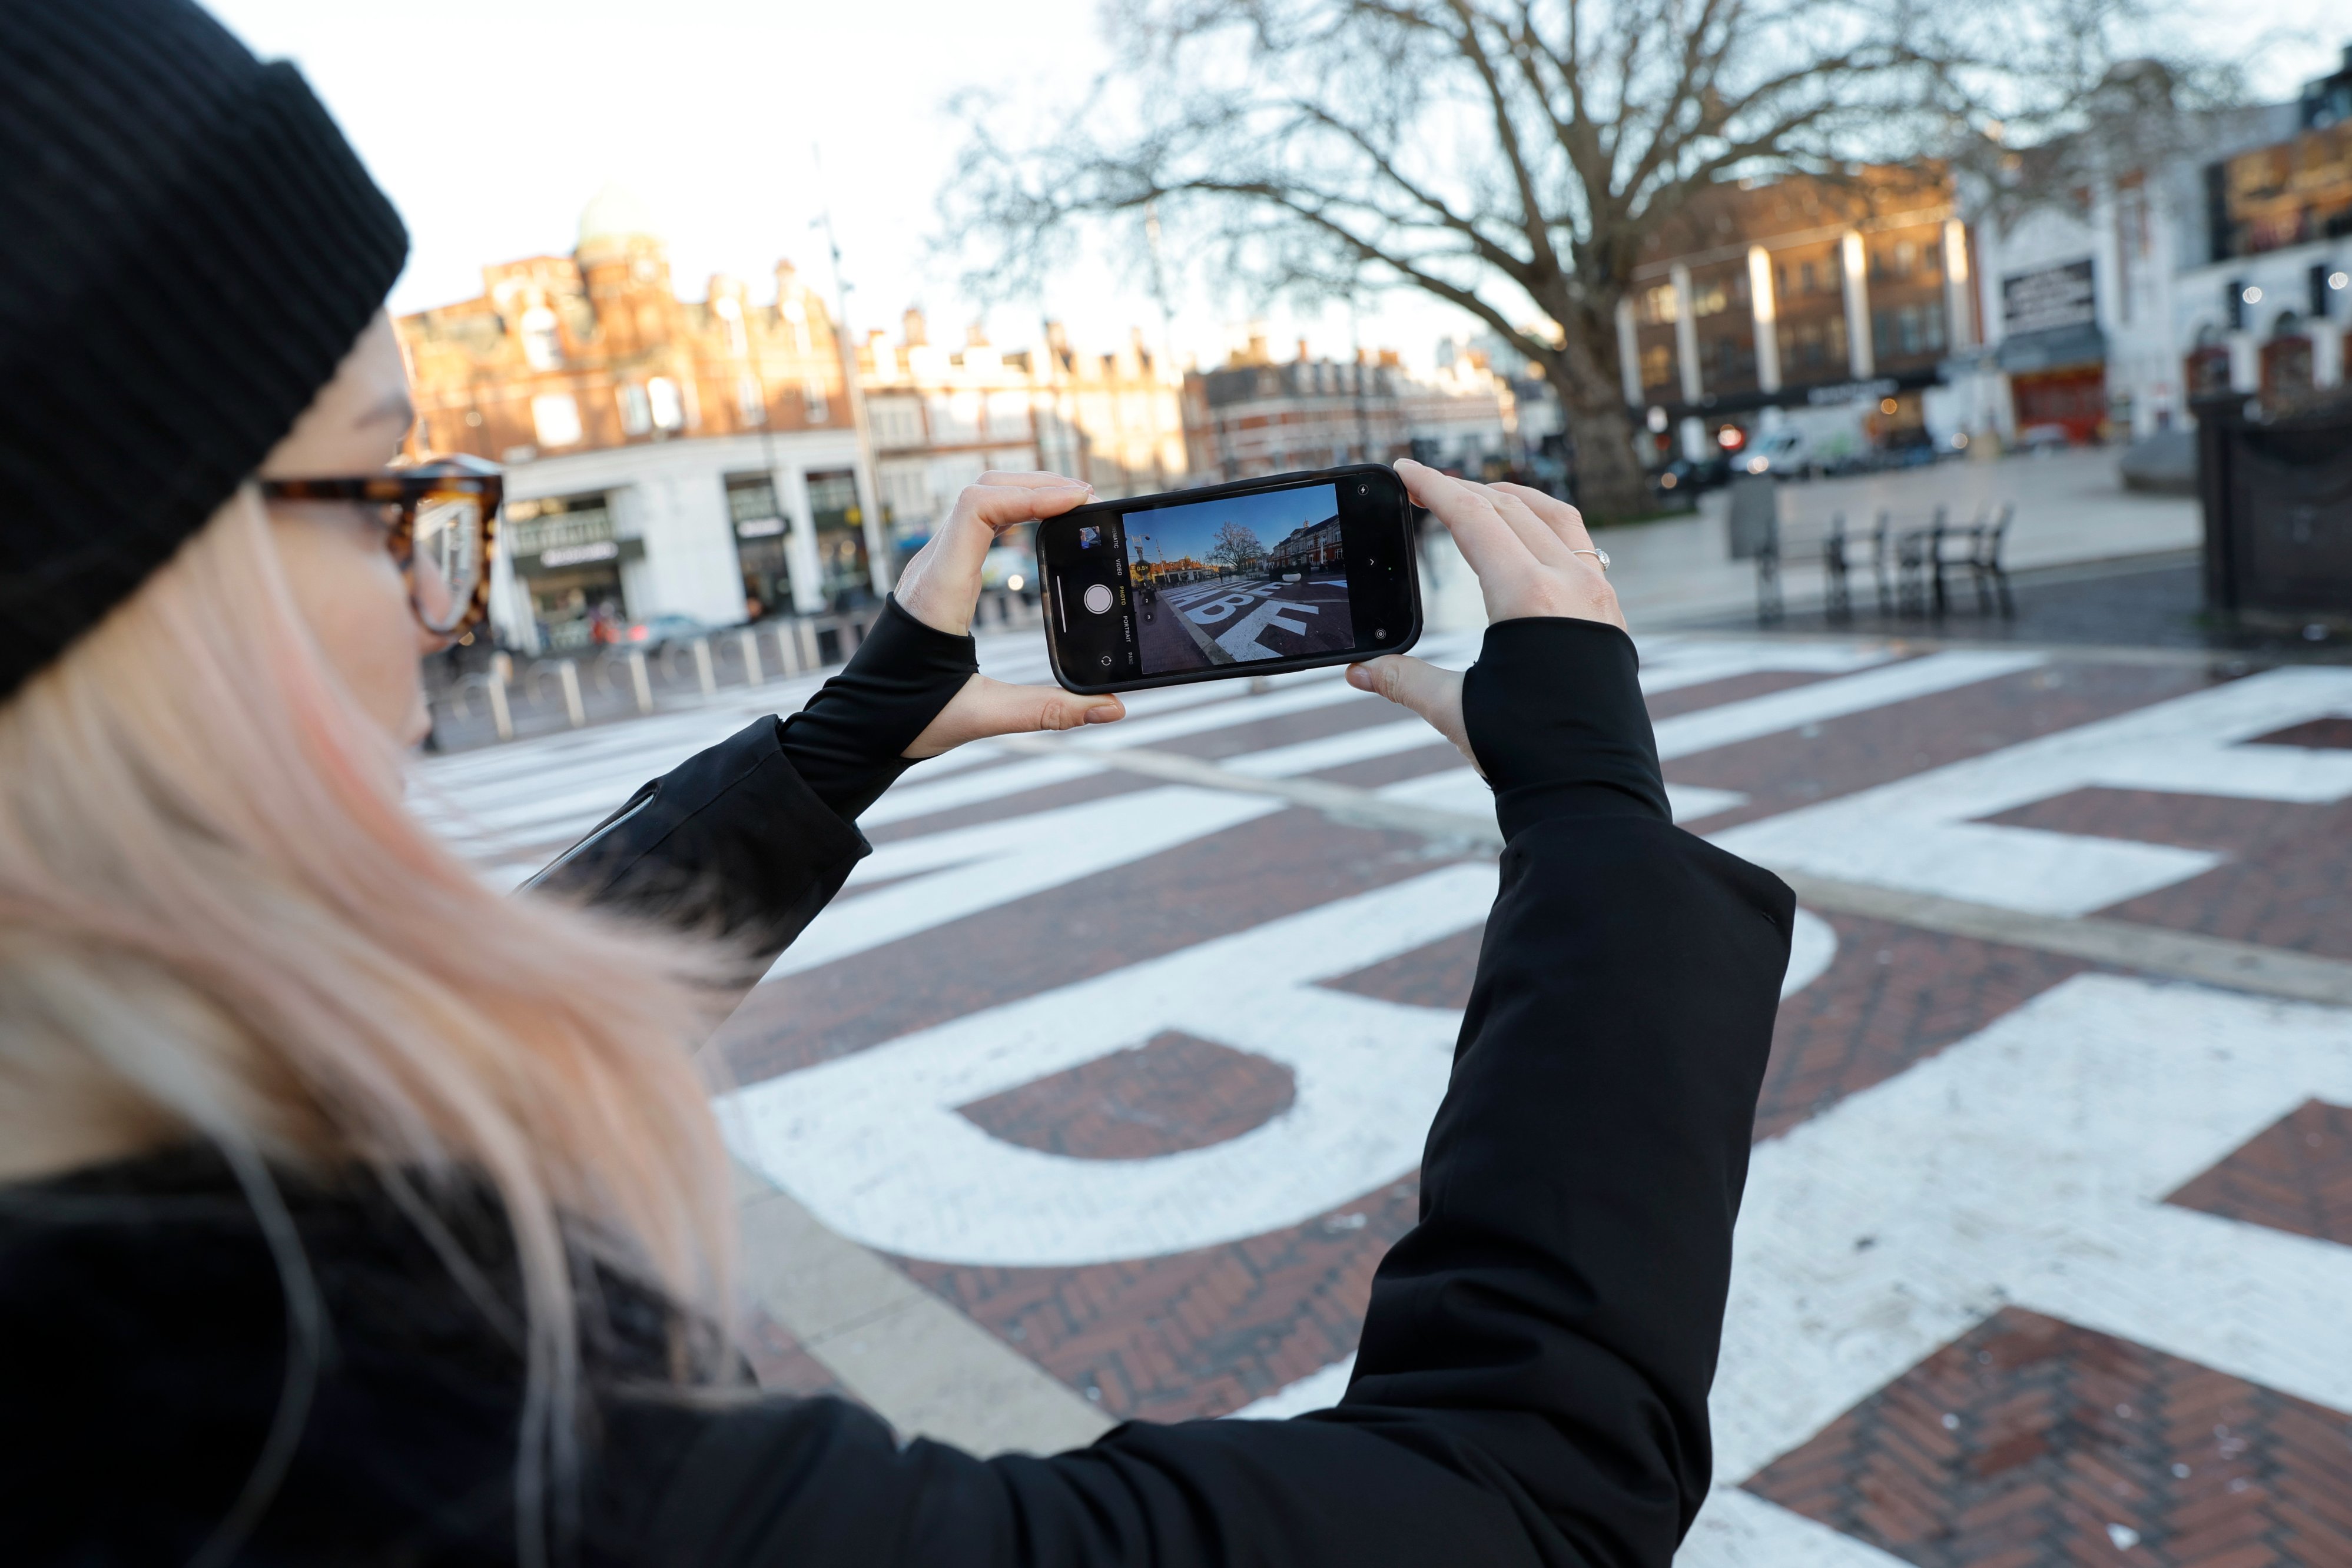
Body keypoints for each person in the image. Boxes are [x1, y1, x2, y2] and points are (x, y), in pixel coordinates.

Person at [0, 3, 1794, 1564]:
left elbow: (396, 1102)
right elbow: (1519, 1492)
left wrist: (834, 751)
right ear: (119, 595)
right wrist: (1592, 824)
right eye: (388, 493)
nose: (433, 609)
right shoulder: (380, 1434)